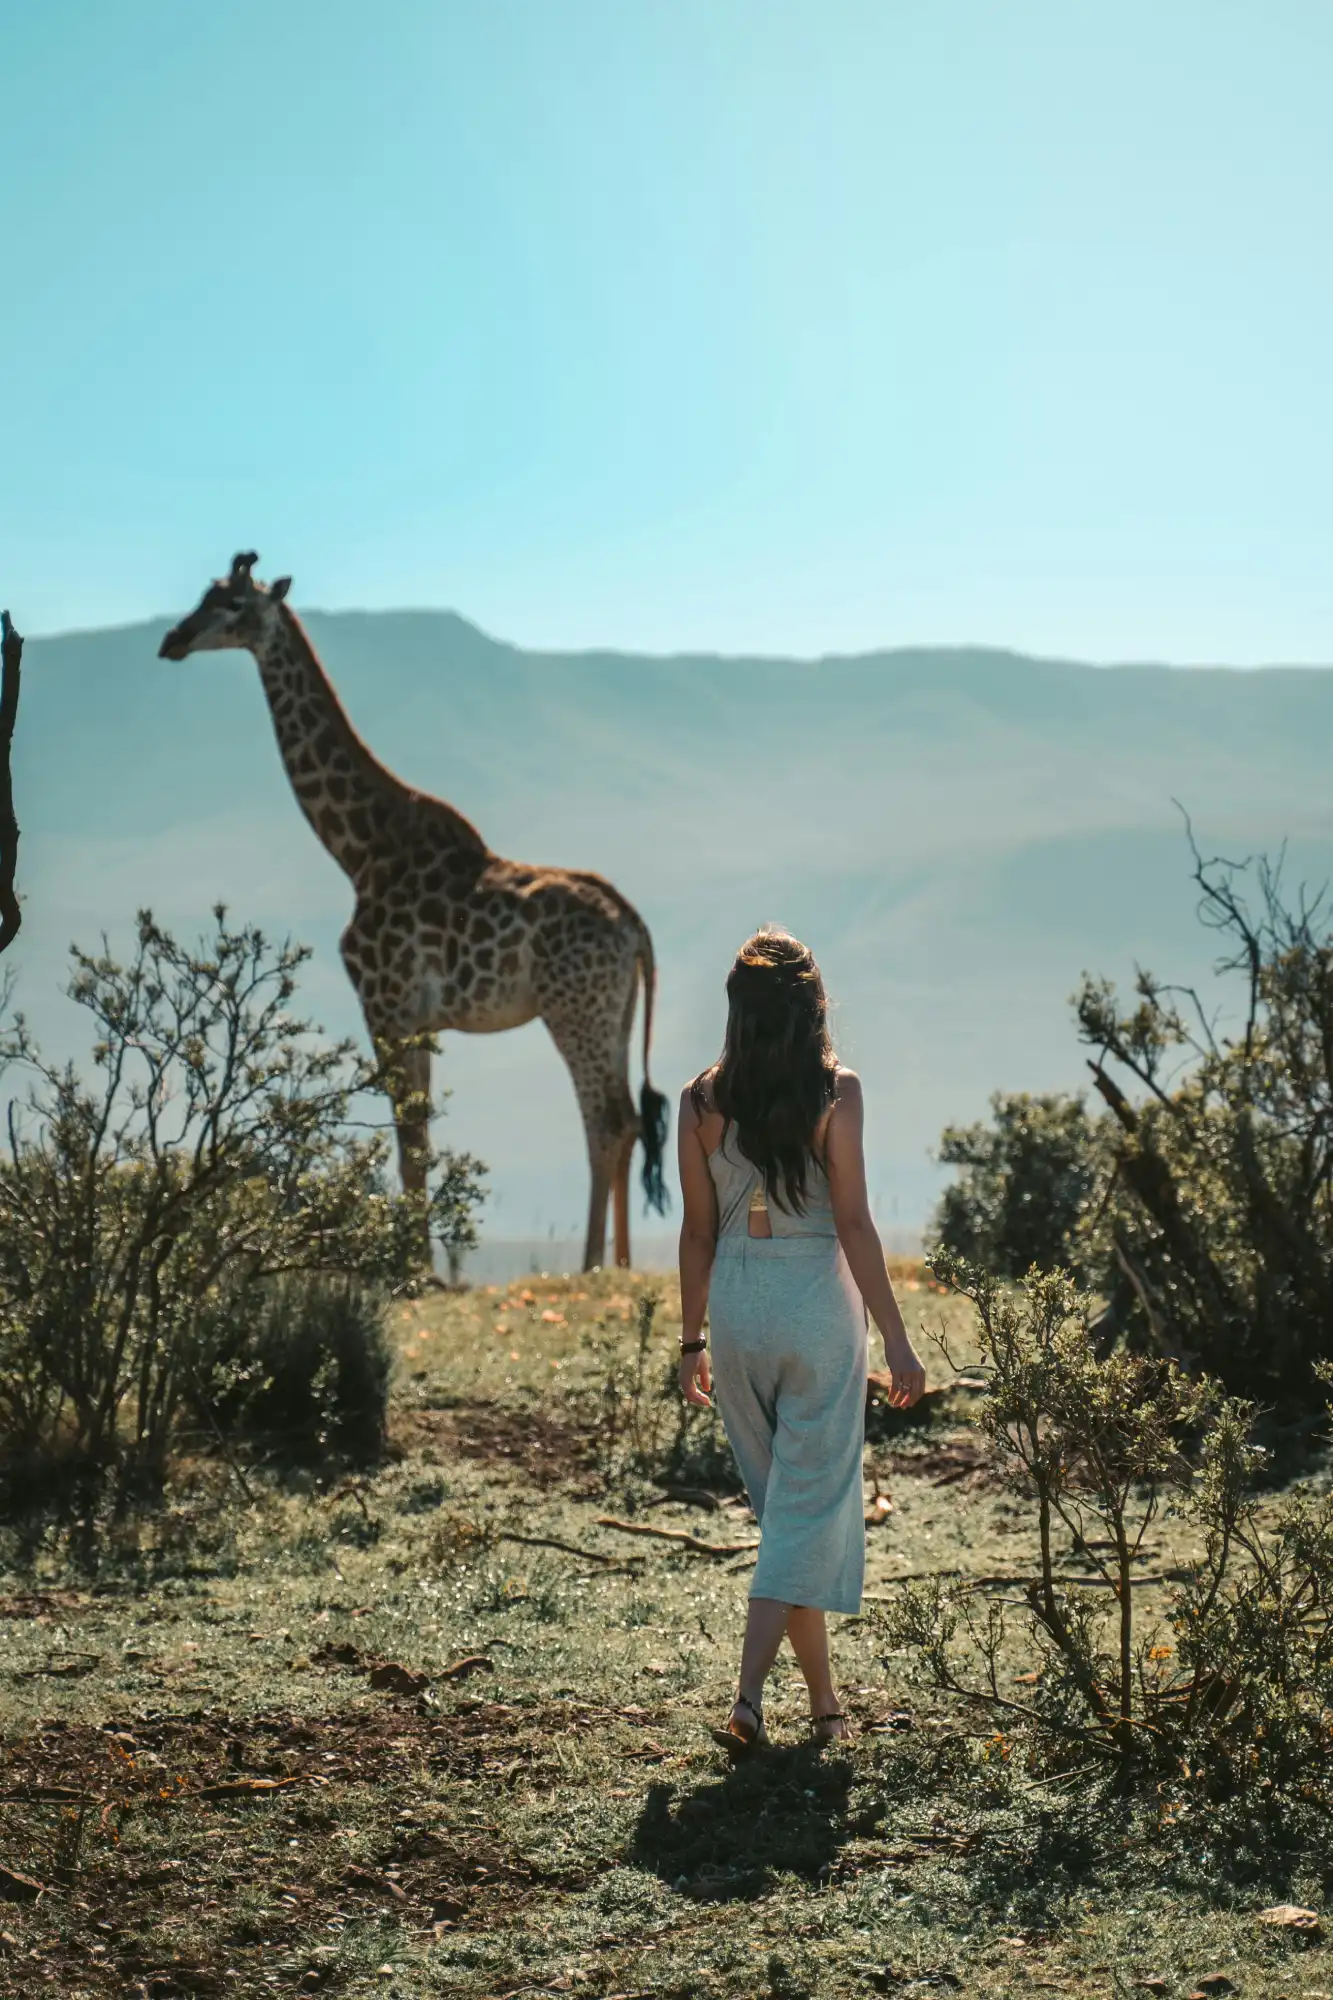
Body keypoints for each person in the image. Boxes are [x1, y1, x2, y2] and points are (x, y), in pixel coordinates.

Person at [676, 926, 926, 1751]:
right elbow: (851, 1221)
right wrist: (897, 1340)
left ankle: (824, 1707)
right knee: (799, 1518)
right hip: (818, 1304)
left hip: (738, 1312)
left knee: (788, 1516)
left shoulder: (700, 1101)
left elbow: (696, 1232)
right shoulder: (837, 1092)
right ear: (811, 1006)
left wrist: (690, 1341)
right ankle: (746, 1700)